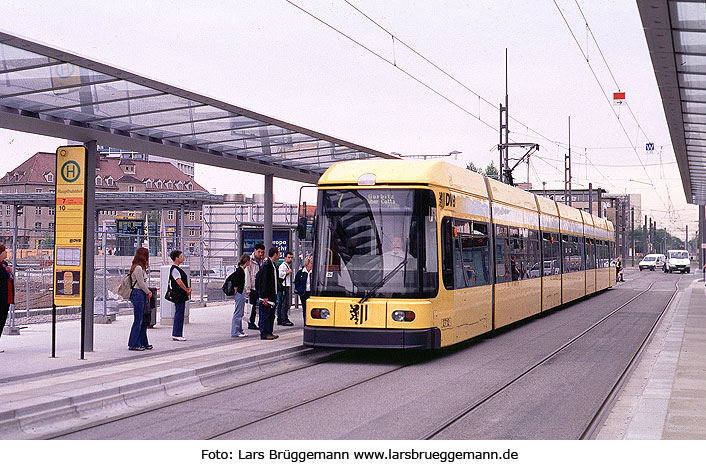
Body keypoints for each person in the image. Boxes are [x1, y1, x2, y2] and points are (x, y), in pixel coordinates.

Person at [128, 247, 152, 351]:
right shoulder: (137, 268)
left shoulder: (139, 267)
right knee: (138, 320)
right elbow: (141, 283)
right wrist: (148, 292)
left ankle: (143, 342)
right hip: (138, 293)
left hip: (140, 294)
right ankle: (133, 343)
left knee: (143, 320)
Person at [257, 247, 279, 340]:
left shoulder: (272, 264)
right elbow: (264, 281)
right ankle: (264, 333)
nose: (279, 255)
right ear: (275, 254)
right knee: (265, 315)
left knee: (271, 315)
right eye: (278, 253)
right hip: (267, 295)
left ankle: (269, 331)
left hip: (272, 294)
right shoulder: (267, 265)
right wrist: (264, 296)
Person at [169, 250, 191, 341]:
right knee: (179, 313)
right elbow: (179, 282)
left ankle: (178, 333)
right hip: (179, 294)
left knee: (180, 313)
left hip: (181, 293)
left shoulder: (178, 268)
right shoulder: (174, 269)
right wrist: (186, 289)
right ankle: (176, 334)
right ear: (176, 258)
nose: (182, 258)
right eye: (181, 256)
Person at [245, 243, 265, 330]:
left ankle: (261, 323)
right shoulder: (250, 260)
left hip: (261, 287)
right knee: (252, 306)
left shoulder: (263, 261)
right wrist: (248, 288)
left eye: (262, 252)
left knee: (261, 306)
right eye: (259, 252)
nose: (260, 254)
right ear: (255, 251)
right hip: (253, 287)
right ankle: (251, 322)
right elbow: (247, 275)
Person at [230, 254, 250, 338]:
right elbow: (237, 283)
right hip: (240, 293)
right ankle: (235, 331)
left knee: (240, 312)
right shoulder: (240, 271)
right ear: (247, 261)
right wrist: (236, 290)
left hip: (241, 292)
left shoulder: (241, 270)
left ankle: (239, 330)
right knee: (238, 312)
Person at [0, 244, 14, 353]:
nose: (6, 253)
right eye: (4, 251)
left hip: (6, 298)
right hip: (1, 297)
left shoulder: (5, 264)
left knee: (2, 321)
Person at [276, 251, 295, 326]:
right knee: (284, 303)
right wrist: (287, 272)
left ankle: (280, 318)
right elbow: (280, 275)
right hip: (284, 286)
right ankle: (284, 319)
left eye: (291, 258)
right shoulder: (283, 266)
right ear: (285, 258)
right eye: (289, 257)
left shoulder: (286, 265)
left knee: (282, 302)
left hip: (285, 285)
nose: (290, 259)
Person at [294, 256, 312, 321]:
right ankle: (305, 321)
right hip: (303, 293)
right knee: (305, 308)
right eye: (311, 263)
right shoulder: (301, 272)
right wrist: (299, 289)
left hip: (311, 293)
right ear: (307, 264)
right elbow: (296, 281)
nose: (312, 265)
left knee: (311, 308)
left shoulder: (313, 272)